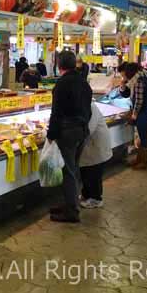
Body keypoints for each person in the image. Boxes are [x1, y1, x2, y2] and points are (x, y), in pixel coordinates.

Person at [47, 50, 92, 223]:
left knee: (68, 171)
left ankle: (72, 210)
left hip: (67, 131)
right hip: (82, 130)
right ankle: (70, 203)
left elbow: (56, 112)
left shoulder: (62, 84)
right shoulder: (83, 82)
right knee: (73, 169)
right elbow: (88, 109)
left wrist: (51, 134)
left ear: (59, 65)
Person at [118, 63, 147, 169]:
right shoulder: (142, 78)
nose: (124, 76)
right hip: (145, 111)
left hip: (143, 112)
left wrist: (134, 114)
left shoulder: (138, 81)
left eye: (124, 74)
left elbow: (139, 101)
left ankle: (144, 162)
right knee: (143, 136)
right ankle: (140, 159)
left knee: (143, 136)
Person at [79, 102, 112, 209]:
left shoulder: (90, 107)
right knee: (85, 170)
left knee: (94, 172)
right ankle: (86, 194)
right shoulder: (81, 105)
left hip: (96, 143)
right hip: (89, 145)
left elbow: (89, 128)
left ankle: (96, 199)